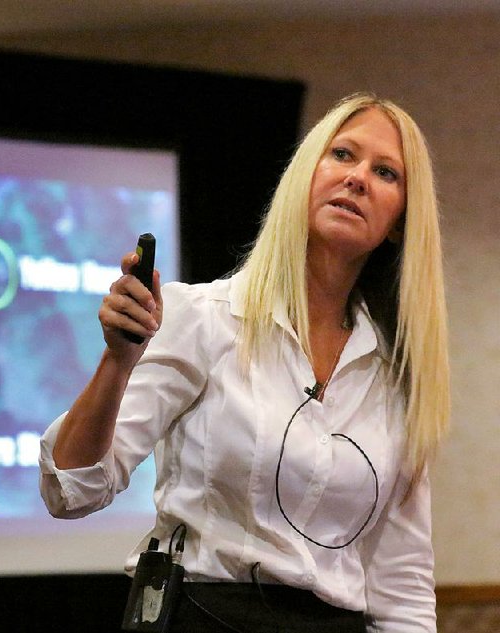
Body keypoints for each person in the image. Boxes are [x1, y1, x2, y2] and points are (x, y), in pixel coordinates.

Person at [38, 93, 450, 633]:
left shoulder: (396, 381)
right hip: (201, 615)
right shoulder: (204, 319)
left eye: (386, 172)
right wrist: (117, 362)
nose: (357, 179)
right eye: (343, 155)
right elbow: (72, 490)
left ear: (399, 222)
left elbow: (403, 589)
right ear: (305, 175)